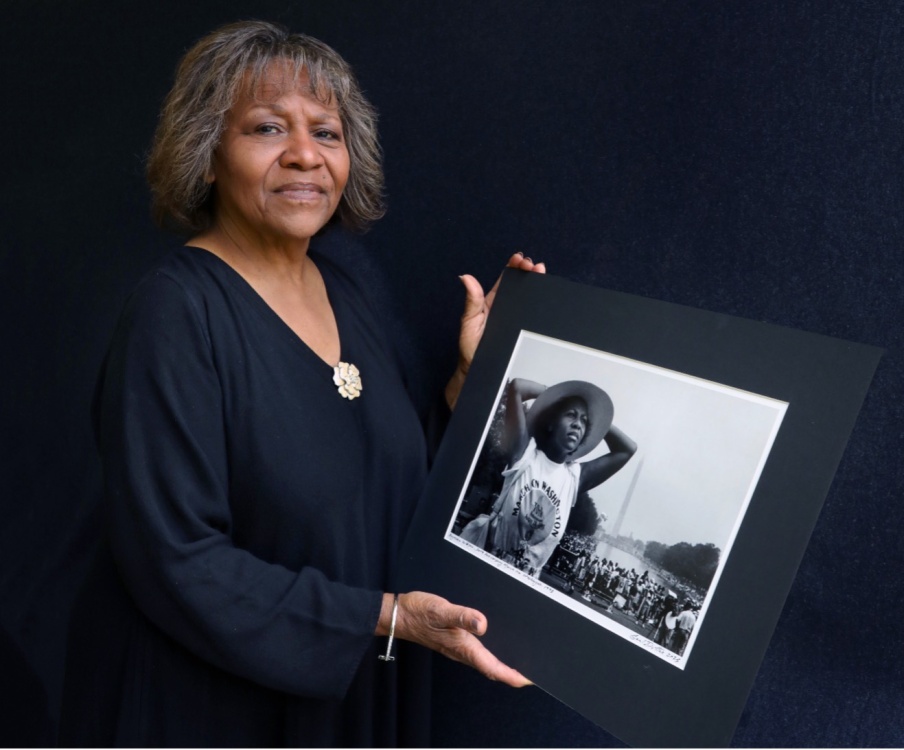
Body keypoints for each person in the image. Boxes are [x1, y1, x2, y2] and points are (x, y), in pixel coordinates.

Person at [58, 20, 544, 747]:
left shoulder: (349, 286)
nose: (304, 156)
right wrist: (384, 618)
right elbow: (176, 559)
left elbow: (381, 483)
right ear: (208, 153)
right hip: (216, 713)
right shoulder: (176, 311)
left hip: (350, 696)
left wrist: (467, 385)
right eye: (266, 128)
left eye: (327, 132)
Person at [460, 378, 637, 578]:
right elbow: (517, 387)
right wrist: (553, 396)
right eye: (571, 415)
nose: (578, 424)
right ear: (551, 423)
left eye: (584, 421)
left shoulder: (574, 478)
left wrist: (599, 424)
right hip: (483, 564)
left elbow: (627, 449)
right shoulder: (525, 453)